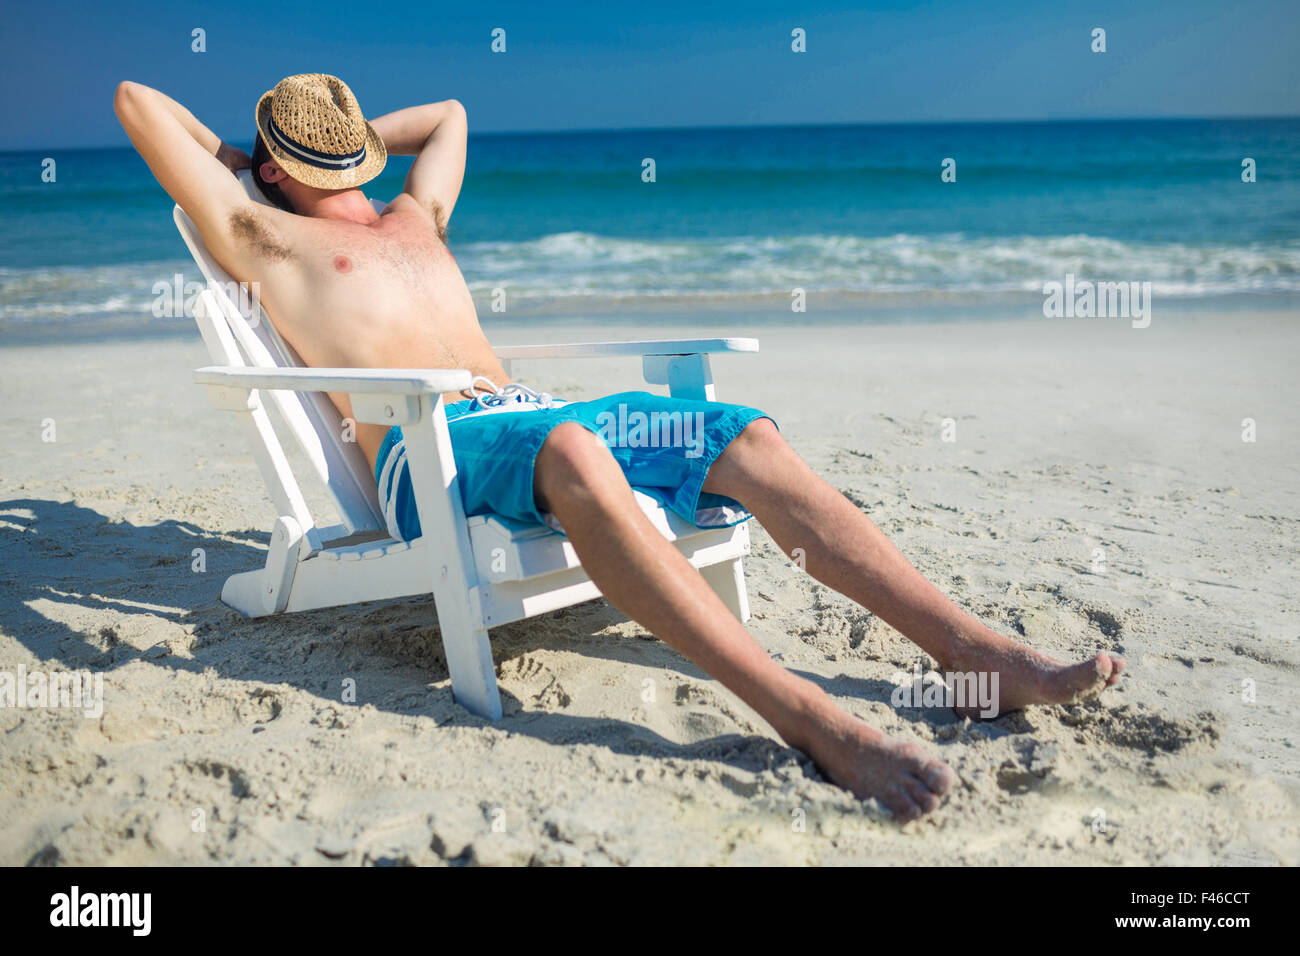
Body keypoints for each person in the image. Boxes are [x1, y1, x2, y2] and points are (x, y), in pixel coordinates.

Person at [114, 73, 1124, 821]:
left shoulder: (414, 213)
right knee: (570, 442)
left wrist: (338, 144)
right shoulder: (263, 235)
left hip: (538, 411)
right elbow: (135, 102)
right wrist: (256, 165)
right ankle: (807, 716)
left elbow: (452, 117)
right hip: (436, 454)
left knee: (747, 438)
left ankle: (972, 652)